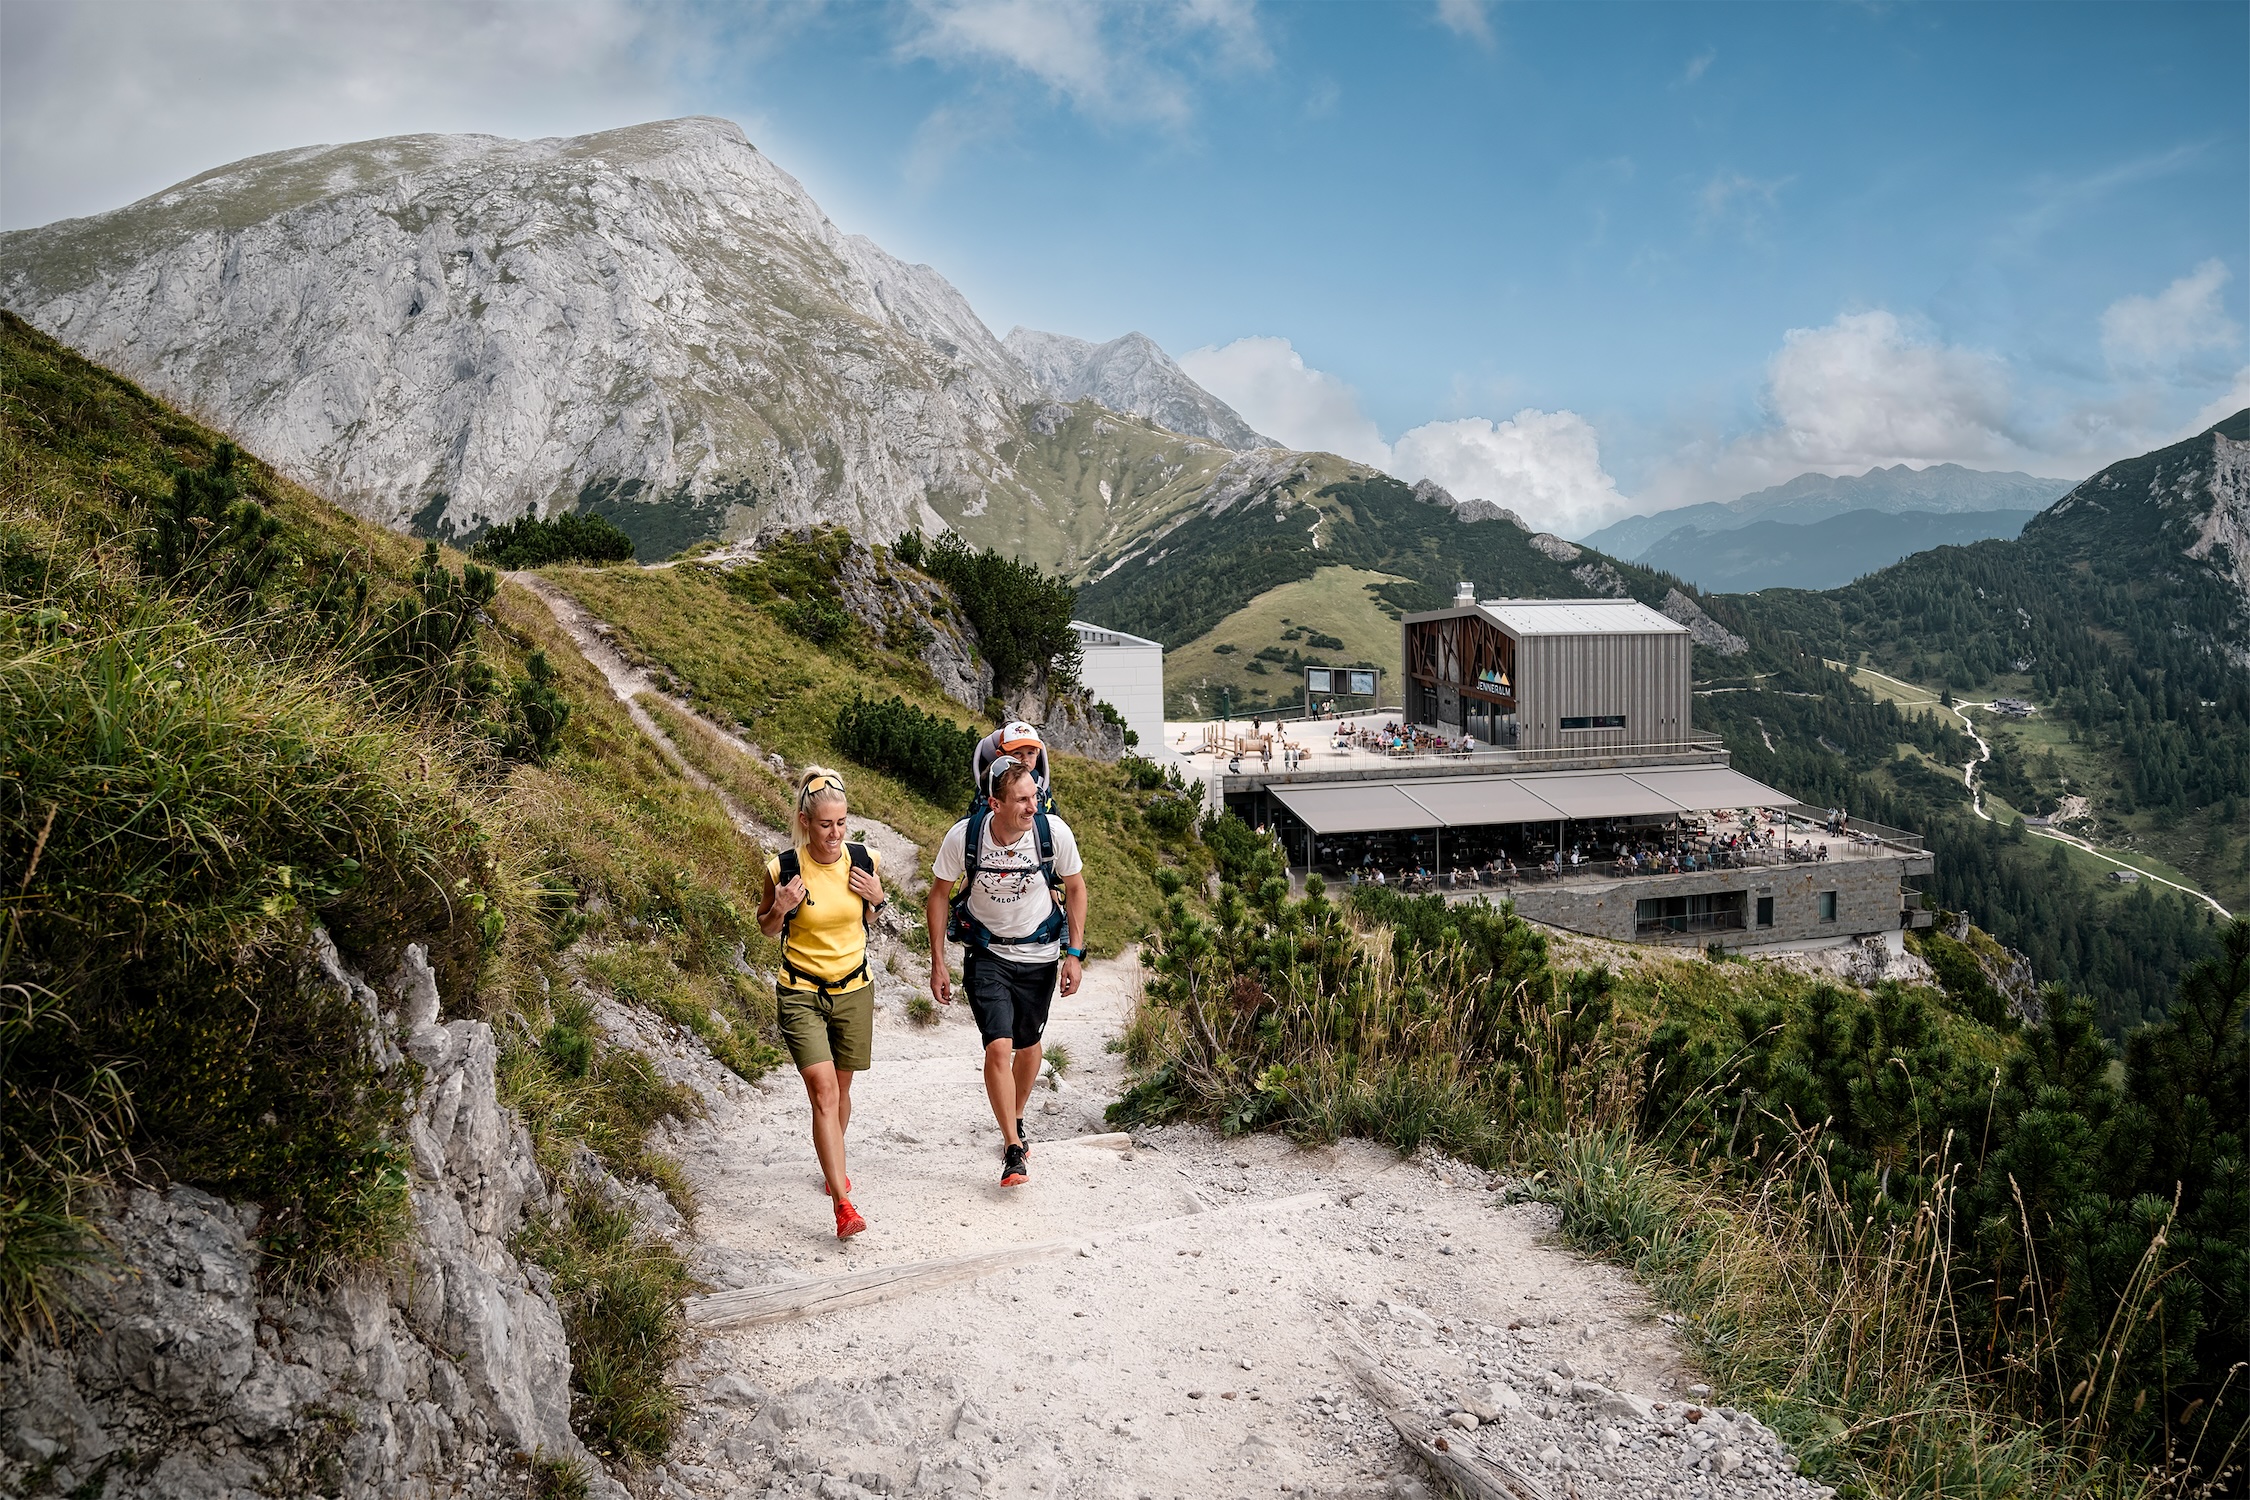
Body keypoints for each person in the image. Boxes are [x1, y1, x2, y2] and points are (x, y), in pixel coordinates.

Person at [926, 761, 1088, 1189]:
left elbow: (1075, 888)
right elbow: (939, 895)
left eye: (1035, 796)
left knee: (1029, 1045)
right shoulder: (965, 837)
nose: (1033, 806)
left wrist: (1074, 953)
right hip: (987, 954)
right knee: (999, 1047)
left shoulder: (1053, 834)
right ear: (995, 803)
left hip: (1039, 956)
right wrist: (938, 960)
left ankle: (1015, 1113)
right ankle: (1013, 1147)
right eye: (1022, 799)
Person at [760, 767, 885, 1241]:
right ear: (805, 822)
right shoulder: (783, 869)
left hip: (854, 988)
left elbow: (871, 915)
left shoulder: (865, 859)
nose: (835, 834)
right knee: (823, 1092)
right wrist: (781, 906)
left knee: (842, 1091)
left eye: (842, 823)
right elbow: (768, 927)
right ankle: (842, 1201)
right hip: (800, 991)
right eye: (826, 824)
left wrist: (878, 898)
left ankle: (834, 1164)